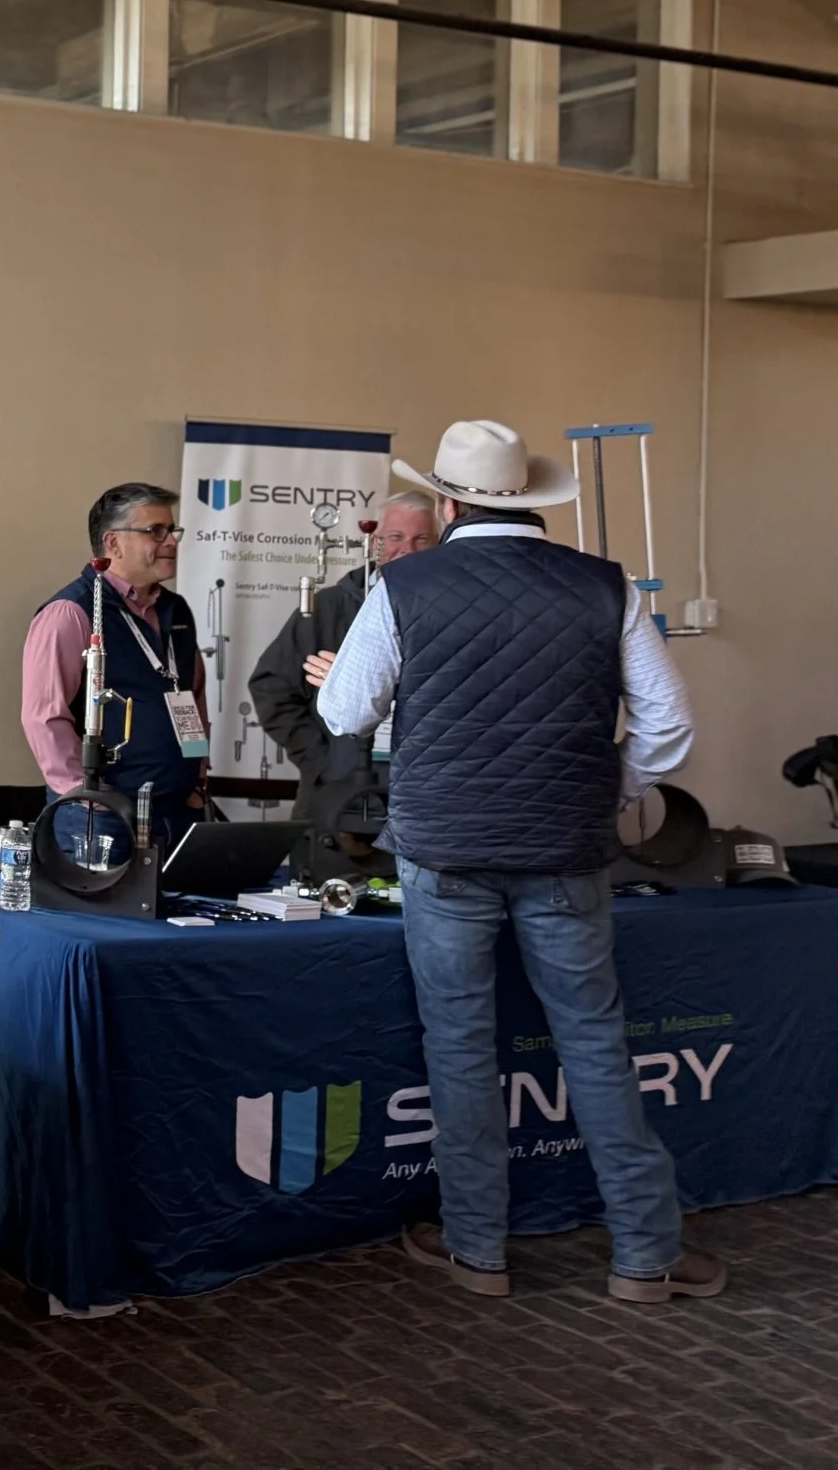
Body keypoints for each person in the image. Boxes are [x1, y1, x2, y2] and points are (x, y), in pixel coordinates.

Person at [311, 421, 723, 1304]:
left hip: (443, 850)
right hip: (567, 850)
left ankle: (477, 1250)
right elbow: (670, 723)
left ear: (448, 502)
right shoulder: (605, 585)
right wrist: (606, 789)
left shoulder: (405, 584)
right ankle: (647, 1252)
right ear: (532, 500)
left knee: (461, 1046)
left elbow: (345, 713)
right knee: (596, 1041)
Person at [19, 482, 207, 848]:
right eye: (156, 531)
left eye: (173, 530)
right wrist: (85, 797)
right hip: (102, 819)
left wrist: (196, 781)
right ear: (113, 543)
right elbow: (43, 717)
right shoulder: (70, 612)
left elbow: (193, 700)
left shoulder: (176, 610)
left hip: (177, 813)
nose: (171, 541)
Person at [249, 490, 438, 815]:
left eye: (421, 539)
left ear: (440, 544)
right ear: (374, 541)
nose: (407, 549)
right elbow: (272, 687)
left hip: (420, 800)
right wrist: (323, 762)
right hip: (333, 801)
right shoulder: (327, 607)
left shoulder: (452, 612)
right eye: (395, 537)